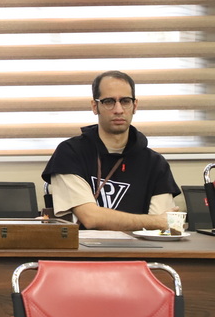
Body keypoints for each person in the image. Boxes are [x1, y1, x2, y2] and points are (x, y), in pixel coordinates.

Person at [42, 70, 180, 231]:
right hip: (84, 247)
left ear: (135, 106)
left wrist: (156, 223)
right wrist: (152, 222)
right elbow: (90, 218)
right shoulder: (70, 153)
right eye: (109, 101)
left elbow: (161, 227)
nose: (118, 109)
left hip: (140, 247)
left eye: (125, 101)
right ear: (95, 107)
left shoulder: (155, 163)